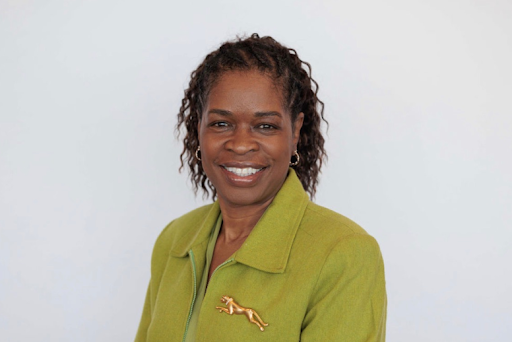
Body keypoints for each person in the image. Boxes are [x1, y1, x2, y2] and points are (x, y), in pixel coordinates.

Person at [135, 34, 386, 342]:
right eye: (221, 124)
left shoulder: (345, 253)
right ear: (198, 128)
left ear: (294, 132)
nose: (240, 145)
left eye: (265, 126)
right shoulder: (175, 241)